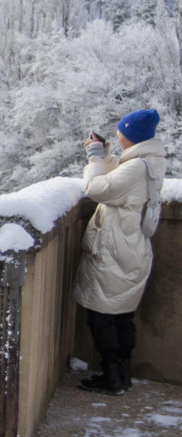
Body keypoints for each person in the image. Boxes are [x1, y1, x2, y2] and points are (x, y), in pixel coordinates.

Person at [74, 108, 166, 396]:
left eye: (121, 133)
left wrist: (94, 159)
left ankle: (111, 378)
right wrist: (107, 157)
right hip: (132, 247)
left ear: (133, 136)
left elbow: (98, 188)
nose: (118, 135)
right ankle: (122, 374)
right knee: (122, 315)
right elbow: (122, 181)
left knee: (102, 316)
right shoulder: (148, 162)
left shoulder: (138, 166)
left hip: (117, 250)